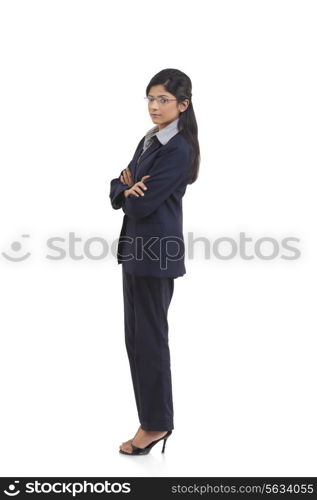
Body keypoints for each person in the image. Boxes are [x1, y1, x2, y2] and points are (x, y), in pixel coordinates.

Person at [109, 68, 200, 455]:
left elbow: (142, 202)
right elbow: (118, 185)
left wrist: (129, 190)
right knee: (136, 340)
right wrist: (126, 187)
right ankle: (152, 419)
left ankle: (157, 424)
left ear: (183, 105)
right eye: (150, 98)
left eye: (163, 99)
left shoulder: (178, 149)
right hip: (136, 252)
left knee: (149, 340)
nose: (154, 106)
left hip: (155, 255)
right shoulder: (149, 140)